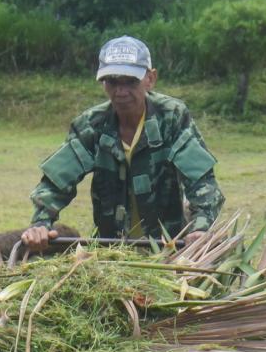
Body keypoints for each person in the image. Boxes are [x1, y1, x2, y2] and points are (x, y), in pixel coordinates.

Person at [22, 36, 223, 251]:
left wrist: (201, 227)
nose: (121, 92)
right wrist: (40, 223)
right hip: (111, 250)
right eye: (113, 82)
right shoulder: (92, 125)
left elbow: (202, 181)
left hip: (169, 248)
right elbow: (56, 182)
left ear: (150, 78)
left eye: (130, 81)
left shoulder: (171, 118)